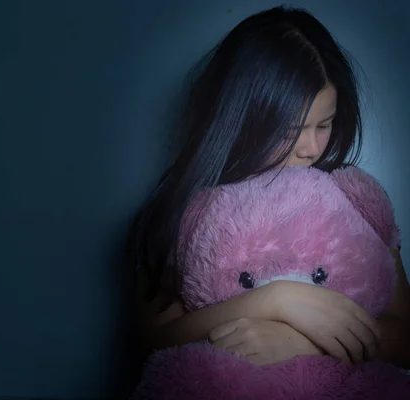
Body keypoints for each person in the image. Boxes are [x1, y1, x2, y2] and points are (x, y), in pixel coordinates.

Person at [128, 5, 410, 369]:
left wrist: (306, 344)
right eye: (290, 132)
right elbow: (155, 340)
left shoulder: (349, 199)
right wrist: (276, 300)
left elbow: (405, 338)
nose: (309, 149)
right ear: (243, 119)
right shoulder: (191, 210)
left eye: (323, 125)